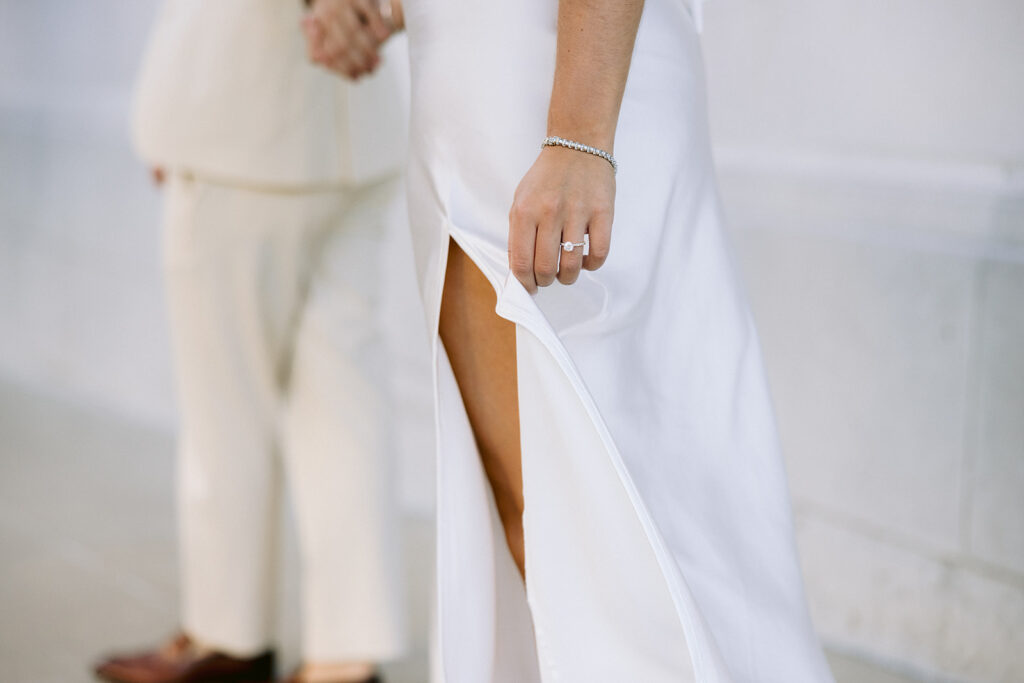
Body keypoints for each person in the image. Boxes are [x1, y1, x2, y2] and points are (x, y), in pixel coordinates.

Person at [307, 0, 836, 680]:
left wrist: (577, 138)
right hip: (542, 87)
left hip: (533, 100)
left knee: (572, 520)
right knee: (655, 504)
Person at [93, 1, 410, 682]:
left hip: (237, 117)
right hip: (362, 126)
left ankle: (227, 636)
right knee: (345, 398)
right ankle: (344, 658)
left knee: (225, 405)